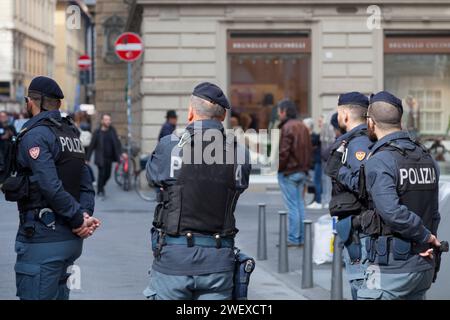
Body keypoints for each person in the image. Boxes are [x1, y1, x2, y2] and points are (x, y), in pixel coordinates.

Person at [144, 82, 252, 300]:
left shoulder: (170, 145)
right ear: (222, 117)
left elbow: (152, 178)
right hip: (219, 261)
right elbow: (239, 186)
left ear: (191, 112)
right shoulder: (239, 152)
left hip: (174, 259)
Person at [0, 76, 100, 300]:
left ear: (33, 102)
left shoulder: (35, 135)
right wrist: (84, 217)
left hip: (43, 238)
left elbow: (49, 185)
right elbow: (86, 183)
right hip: (71, 241)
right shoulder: (71, 134)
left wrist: (78, 220)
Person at [357, 91, 441, 300]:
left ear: (371, 122)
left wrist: (425, 237)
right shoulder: (425, 156)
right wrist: (426, 241)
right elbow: (433, 210)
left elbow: (391, 211)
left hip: (393, 268)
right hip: (423, 263)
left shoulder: (381, 159)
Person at [324, 92, 371, 300]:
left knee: (361, 287)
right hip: (357, 226)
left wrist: (338, 171)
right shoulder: (360, 139)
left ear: (344, 115)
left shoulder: (358, 143)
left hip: (359, 230)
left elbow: (364, 183)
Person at [277, 99, 312, 247]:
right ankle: (301, 239)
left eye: (279, 111)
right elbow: (309, 149)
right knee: (299, 205)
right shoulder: (303, 126)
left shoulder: (287, 127)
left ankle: (293, 238)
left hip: (289, 172)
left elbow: (284, 152)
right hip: (302, 171)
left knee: (292, 206)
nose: (278, 114)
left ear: (284, 111)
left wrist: (280, 169)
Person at [86, 113, 123, 199]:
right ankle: (100, 191)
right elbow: (91, 146)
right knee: (101, 174)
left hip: (109, 158)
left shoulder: (112, 130)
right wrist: (87, 158)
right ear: (102, 121)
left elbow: (117, 143)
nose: (108, 121)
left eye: (109, 120)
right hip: (100, 158)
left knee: (108, 175)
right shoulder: (97, 132)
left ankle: (101, 185)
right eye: (106, 120)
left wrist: (121, 153)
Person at [303, 117, 322, 210]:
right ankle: (313, 200)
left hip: (315, 163)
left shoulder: (314, 137)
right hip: (308, 164)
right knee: (310, 183)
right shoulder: (304, 137)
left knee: (316, 182)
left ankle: (318, 201)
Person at [0, 111, 17, 183]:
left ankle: (6, 181)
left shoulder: (11, 127)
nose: (3, 118)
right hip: (1, 149)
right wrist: (1, 137)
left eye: (4, 116)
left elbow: (15, 138)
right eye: (1, 117)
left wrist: (12, 135)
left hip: (9, 150)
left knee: (8, 166)